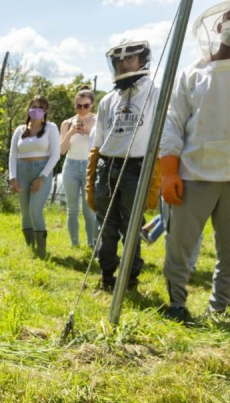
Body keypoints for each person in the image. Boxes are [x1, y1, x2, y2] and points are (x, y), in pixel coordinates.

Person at [159, 2, 230, 322]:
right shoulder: (192, 73)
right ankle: (177, 303)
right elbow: (172, 124)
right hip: (192, 175)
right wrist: (169, 170)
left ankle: (221, 308)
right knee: (180, 247)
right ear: (218, 26)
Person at [87, 39, 160, 292]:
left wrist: (156, 175)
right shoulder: (108, 100)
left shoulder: (155, 93)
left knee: (132, 226)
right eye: (118, 59)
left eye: (129, 58)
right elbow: (98, 140)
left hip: (136, 167)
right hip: (107, 166)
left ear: (142, 60)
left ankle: (129, 280)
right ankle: (106, 276)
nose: (123, 63)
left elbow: (162, 136)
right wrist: (92, 173)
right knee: (106, 225)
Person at [8, 95, 60, 259]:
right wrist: (13, 177)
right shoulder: (19, 130)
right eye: (33, 106)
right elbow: (12, 155)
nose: (35, 110)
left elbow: (55, 155)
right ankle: (31, 249)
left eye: (39, 107)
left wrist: (42, 177)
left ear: (45, 111)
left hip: (41, 171)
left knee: (35, 210)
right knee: (25, 211)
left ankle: (42, 251)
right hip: (22, 171)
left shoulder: (51, 128)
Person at [59, 86, 98, 248]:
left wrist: (89, 132)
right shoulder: (67, 123)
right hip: (71, 167)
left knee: (89, 210)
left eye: (86, 105)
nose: (82, 109)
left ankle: (92, 243)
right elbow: (61, 150)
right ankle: (75, 244)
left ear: (92, 105)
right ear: (75, 106)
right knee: (72, 208)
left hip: (90, 166)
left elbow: (103, 145)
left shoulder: (98, 121)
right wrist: (71, 133)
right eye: (79, 106)